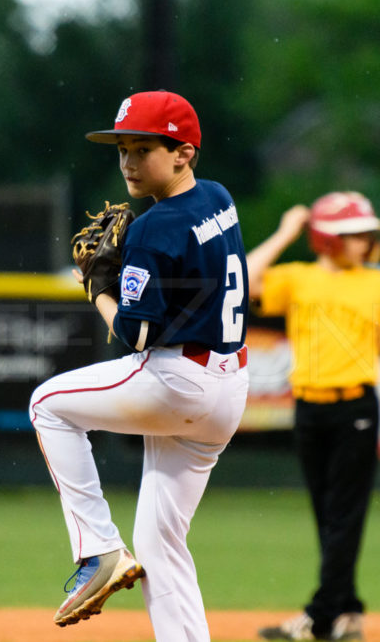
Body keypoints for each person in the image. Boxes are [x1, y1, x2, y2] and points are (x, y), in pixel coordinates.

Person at [29, 90, 250, 642]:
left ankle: (99, 549)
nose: (128, 162)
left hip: (178, 381)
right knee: (159, 544)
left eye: (143, 148)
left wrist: (98, 286)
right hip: (230, 386)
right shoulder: (219, 197)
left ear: (183, 153)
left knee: (47, 406)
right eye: (122, 149)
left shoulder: (154, 228)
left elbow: (134, 333)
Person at [247, 192, 380, 642]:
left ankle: (319, 616)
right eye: (353, 234)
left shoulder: (376, 284)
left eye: (365, 233)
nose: (365, 241)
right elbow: (243, 281)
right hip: (309, 408)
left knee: (344, 514)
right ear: (326, 239)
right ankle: (349, 610)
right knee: (329, 515)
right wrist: (286, 231)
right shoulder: (298, 279)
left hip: (356, 409)